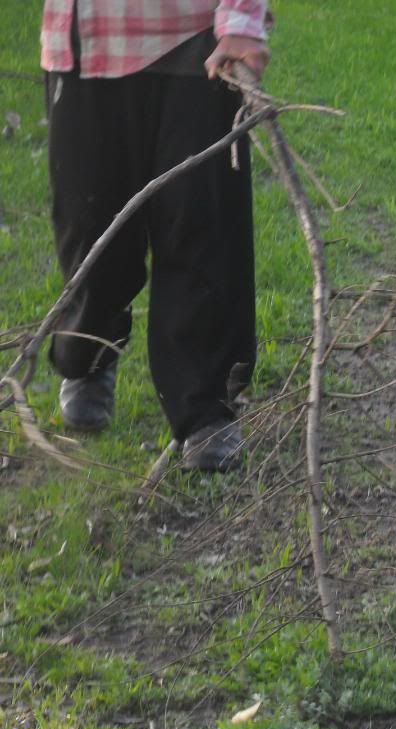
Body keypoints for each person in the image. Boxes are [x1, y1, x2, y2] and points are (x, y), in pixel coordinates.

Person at [40, 0, 271, 471]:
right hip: (83, 39)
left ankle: (205, 406)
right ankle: (90, 353)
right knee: (89, 222)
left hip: (194, 40)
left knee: (199, 221)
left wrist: (242, 19)